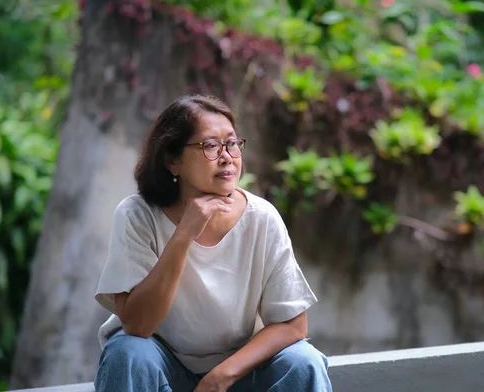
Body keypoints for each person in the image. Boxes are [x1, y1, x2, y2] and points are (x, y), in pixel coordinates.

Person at [93, 94, 332, 392]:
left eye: (232, 144)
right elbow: (138, 327)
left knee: (303, 362)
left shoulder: (262, 218)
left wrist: (221, 377)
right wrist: (184, 234)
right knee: (126, 353)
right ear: (172, 160)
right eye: (209, 146)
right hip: (161, 364)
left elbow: (293, 325)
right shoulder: (138, 215)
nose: (226, 157)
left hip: (237, 370)